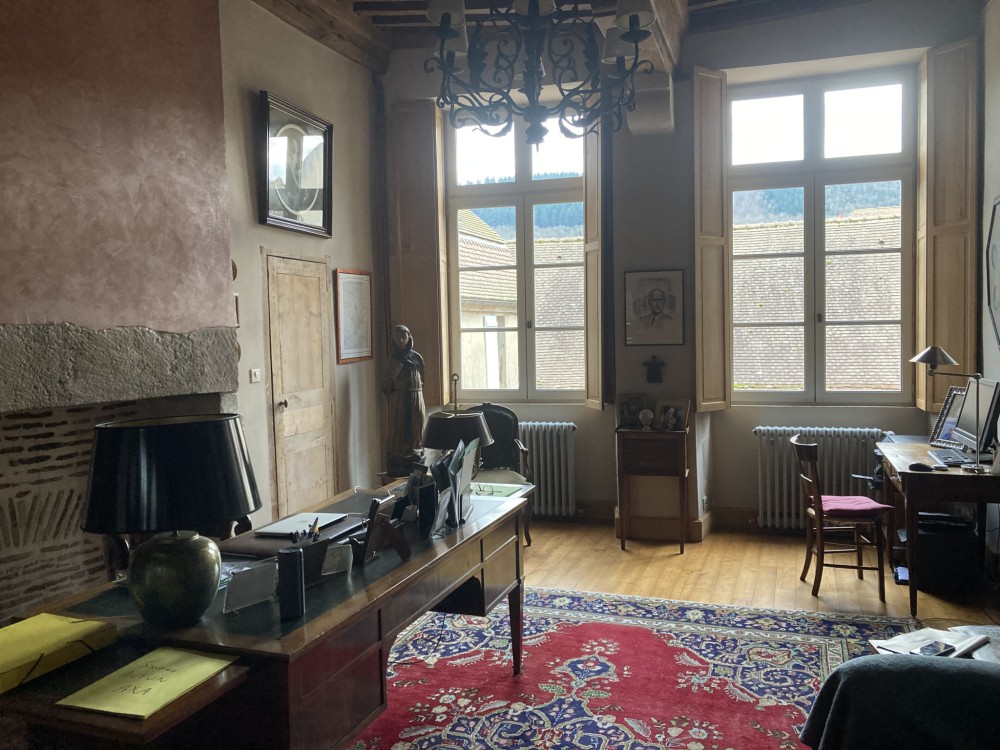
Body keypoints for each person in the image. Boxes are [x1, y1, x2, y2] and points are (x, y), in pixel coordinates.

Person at [384, 325, 426, 476]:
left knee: (417, 425)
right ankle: (400, 454)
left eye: (403, 337)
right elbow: (386, 384)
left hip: (416, 396)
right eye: (397, 337)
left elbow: (422, 378)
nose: (401, 340)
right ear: (393, 339)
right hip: (399, 399)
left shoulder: (417, 358)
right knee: (399, 428)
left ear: (409, 338)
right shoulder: (392, 359)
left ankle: (415, 451)